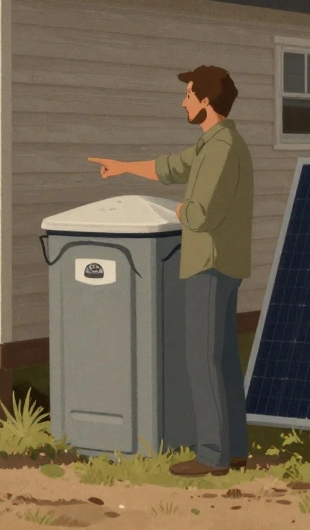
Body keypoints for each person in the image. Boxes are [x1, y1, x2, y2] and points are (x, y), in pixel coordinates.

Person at [87, 64, 253, 477]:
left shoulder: (220, 149)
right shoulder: (211, 143)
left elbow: (199, 216)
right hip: (221, 262)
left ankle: (212, 454)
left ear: (206, 102)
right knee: (223, 360)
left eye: (189, 95)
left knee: (202, 359)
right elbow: (170, 167)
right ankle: (233, 449)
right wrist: (124, 166)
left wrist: (174, 210)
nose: (183, 102)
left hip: (209, 263)